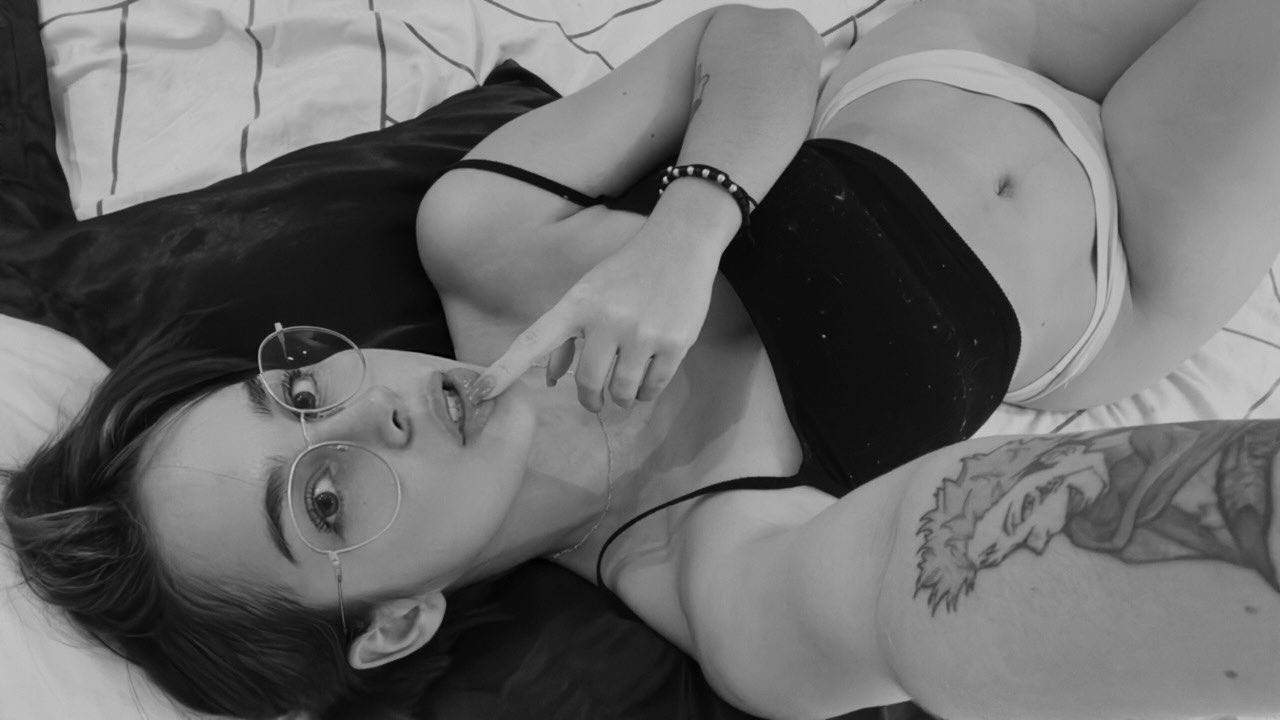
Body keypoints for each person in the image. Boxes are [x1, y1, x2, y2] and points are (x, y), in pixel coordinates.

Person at [5, 1, 1280, 719]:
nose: (365, 412)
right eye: (325, 499)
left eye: (294, 390)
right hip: (1129, 255)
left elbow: (752, 37)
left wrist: (686, 229)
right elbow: (921, 578)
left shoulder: (482, 239)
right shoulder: (719, 576)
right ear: (393, 624)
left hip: (967, 50)